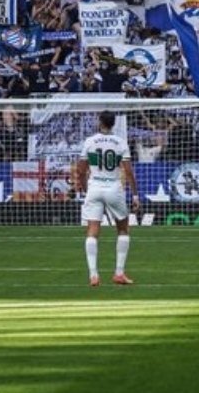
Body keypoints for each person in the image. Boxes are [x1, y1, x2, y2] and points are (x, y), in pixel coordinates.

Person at [75, 112, 140, 287]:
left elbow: (80, 170)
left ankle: (93, 275)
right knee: (123, 229)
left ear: (99, 122)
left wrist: (86, 189)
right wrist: (135, 195)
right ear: (113, 124)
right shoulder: (120, 142)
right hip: (113, 187)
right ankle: (119, 273)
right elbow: (128, 172)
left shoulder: (90, 142)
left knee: (92, 231)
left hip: (95, 186)